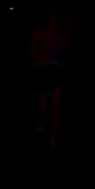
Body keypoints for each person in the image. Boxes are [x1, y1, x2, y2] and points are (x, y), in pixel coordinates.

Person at [28, 10, 70, 152]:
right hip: (45, 70)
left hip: (57, 71)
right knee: (43, 102)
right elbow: (33, 51)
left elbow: (68, 53)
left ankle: (52, 136)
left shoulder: (63, 35)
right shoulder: (40, 34)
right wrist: (42, 59)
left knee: (56, 105)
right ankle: (43, 129)